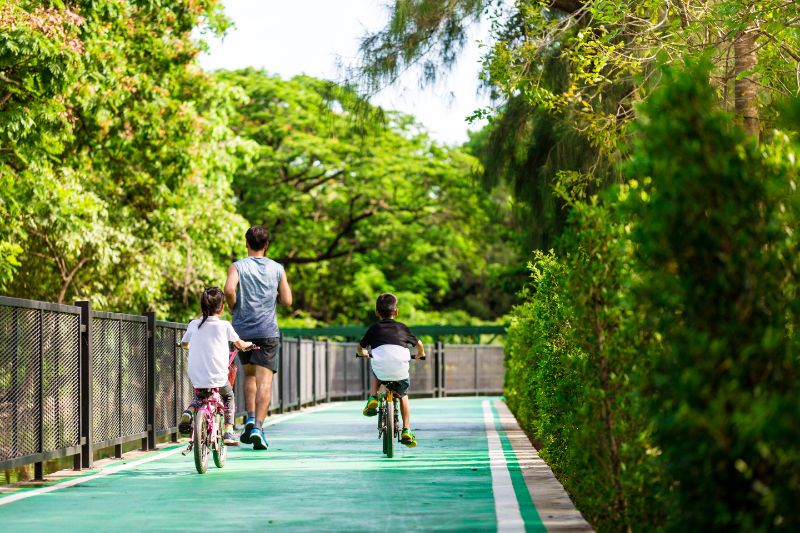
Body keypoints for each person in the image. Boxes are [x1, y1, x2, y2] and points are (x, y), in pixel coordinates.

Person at [224, 225, 292, 450]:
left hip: (243, 331)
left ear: (246, 243)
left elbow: (229, 290)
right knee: (265, 381)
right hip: (267, 332)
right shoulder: (277, 268)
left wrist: (235, 308)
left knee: (249, 376)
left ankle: (250, 417)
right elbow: (288, 300)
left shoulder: (237, 266)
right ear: (267, 245)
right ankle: (258, 428)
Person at [178, 287, 254, 445]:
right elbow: (240, 344)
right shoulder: (224, 326)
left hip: (196, 375)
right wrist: (249, 345)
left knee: (200, 396)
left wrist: (187, 347)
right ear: (222, 307)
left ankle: (189, 411)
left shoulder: (194, 324)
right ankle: (228, 431)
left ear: (203, 306)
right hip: (218, 376)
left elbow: (184, 343)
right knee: (228, 397)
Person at [357, 292, 426, 447]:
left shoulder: (374, 329)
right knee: (403, 395)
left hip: (381, 370)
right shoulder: (402, 328)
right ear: (396, 311)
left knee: (375, 367)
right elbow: (419, 345)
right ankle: (406, 429)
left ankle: (374, 397)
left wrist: (363, 354)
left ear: (376, 312)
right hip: (400, 371)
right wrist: (421, 354)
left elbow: (360, 347)